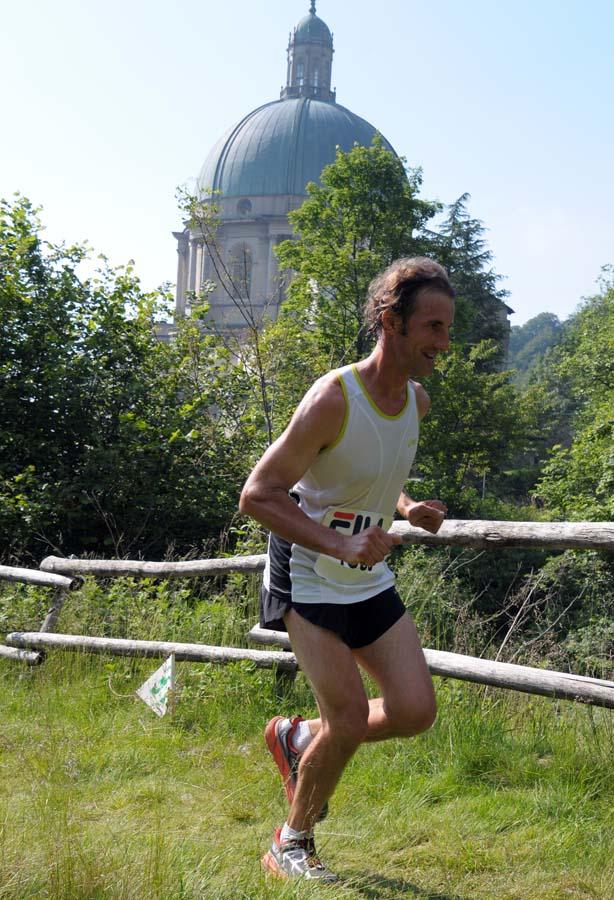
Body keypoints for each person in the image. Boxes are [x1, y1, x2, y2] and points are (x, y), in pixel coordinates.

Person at [239, 257, 455, 882]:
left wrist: (409, 505)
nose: (445, 343)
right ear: (391, 322)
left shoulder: (415, 399)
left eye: (448, 327)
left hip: (366, 576)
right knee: (352, 718)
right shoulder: (333, 398)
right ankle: (291, 843)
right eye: (434, 328)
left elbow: (370, 470)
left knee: (414, 710)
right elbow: (258, 494)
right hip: (306, 574)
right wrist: (339, 547)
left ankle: (299, 741)